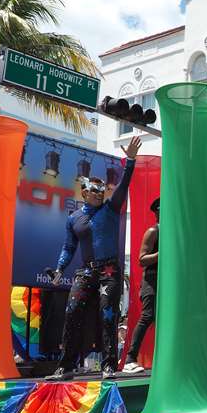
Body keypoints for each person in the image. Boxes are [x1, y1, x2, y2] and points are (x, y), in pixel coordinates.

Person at [47, 136, 142, 381]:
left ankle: (109, 365)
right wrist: (59, 269)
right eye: (95, 190)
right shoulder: (74, 218)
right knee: (72, 312)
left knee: (107, 314)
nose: (100, 193)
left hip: (109, 270)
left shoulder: (111, 210)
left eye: (102, 190)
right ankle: (66, 366)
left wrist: (129, 161)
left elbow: (123, 186)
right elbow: (68, 247)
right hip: (86, 271)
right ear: (84, 192)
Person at [122, 197, 160, 374]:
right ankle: (130, 359)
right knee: (147, 316)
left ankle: (162, 359)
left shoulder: (172, 232)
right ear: (158, 212)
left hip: (166, 283)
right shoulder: (153, 231)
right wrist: (162, 253)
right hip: (152, 282)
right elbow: (141, 259)